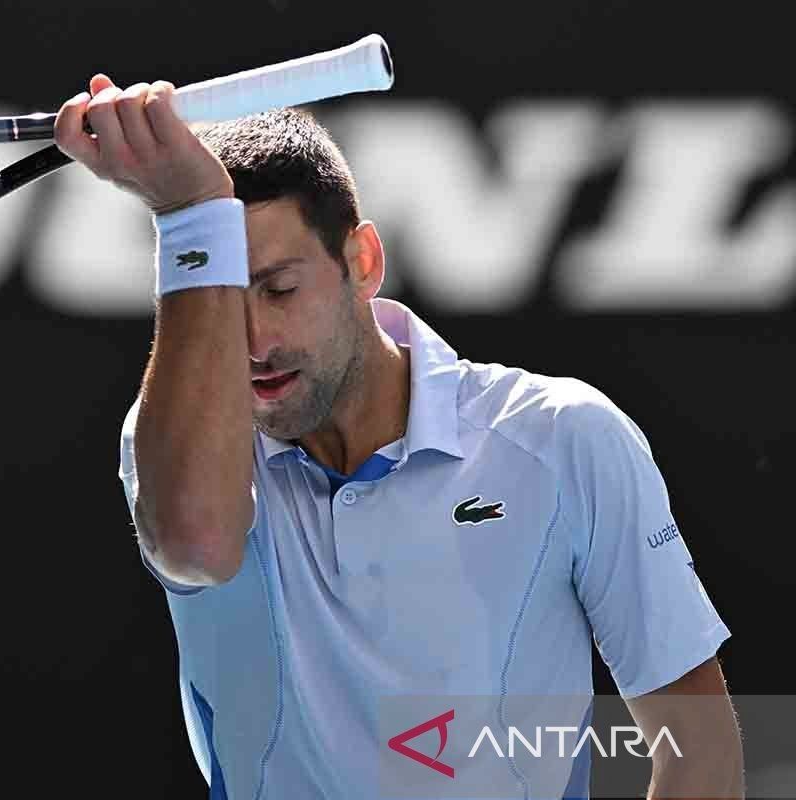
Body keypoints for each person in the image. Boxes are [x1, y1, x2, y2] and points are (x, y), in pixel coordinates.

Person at [54, 75, 744, 799]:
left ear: (363, 263)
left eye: (280, 290)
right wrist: (189, 215)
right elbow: (194, 543)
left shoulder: (563, 438)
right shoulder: (178, 443)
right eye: (223, 301)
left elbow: (701, 755)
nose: (254, 341)